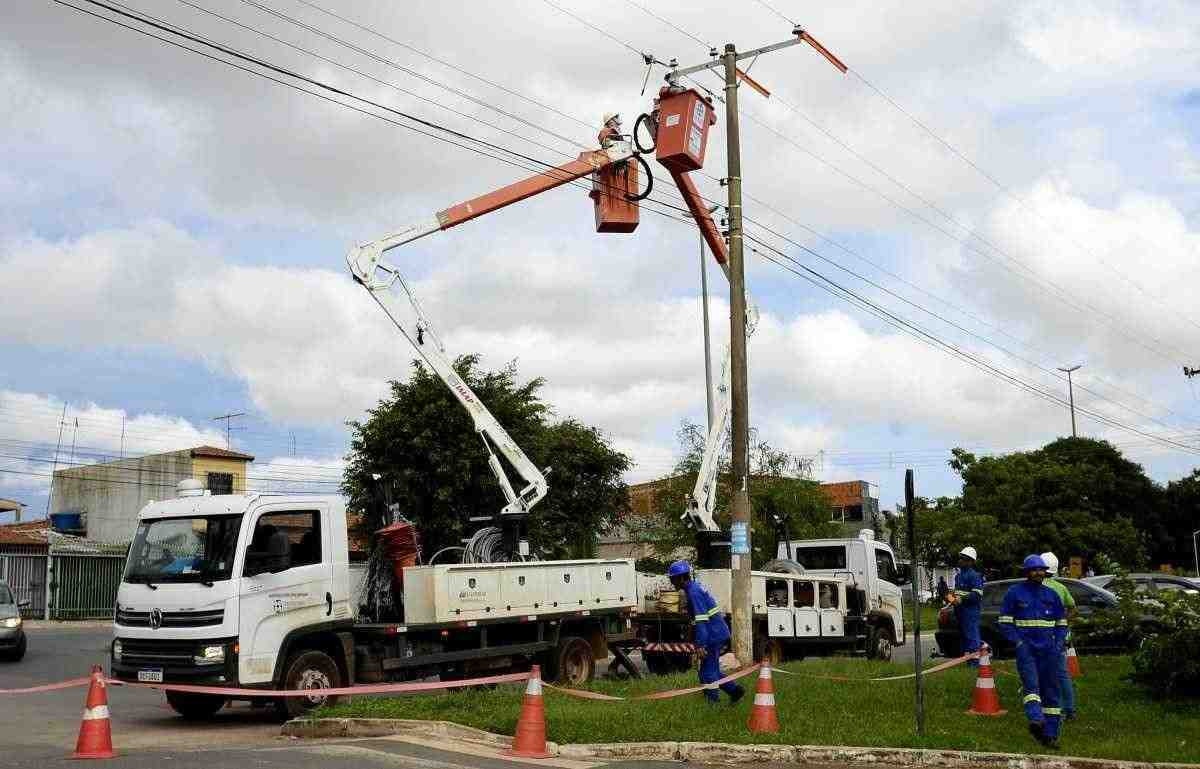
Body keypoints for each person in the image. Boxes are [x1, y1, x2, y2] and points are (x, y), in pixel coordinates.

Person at [999, 554, 1068, 748]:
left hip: (1049, 650)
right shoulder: (1015, 593)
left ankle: (1050, 735)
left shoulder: (1051, 595)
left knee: (1052, 691)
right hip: (1027, 649)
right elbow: (1005, 622)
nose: (1039, 573)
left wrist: (1058, 643)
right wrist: (1018, 642)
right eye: (1035, 569)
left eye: (1042, 569)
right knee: (1032, 686)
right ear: (1027, 572)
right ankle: (1036, 721)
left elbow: (1062, 623)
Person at [667, 560, 745, 705]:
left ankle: (712, 704)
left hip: (713, 635)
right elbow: (695, 620)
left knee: (707, 673)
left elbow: (701, 620)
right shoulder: (692, 589)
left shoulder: (694, 592)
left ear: (682, 578)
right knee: (711, 669)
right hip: (715, 632)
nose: (672, 582)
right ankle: (735, 691)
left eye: (673, 578)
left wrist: (701, 645)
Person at [1041, 551, 1077, 720]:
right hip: (1060, 635)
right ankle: (1069, 709)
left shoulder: (1038, 587)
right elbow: (1073, 608)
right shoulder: (1061, 587)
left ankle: (1056, 709)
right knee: (1062, 673)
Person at [950, 546, 985, 663]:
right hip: (960, 612)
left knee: (972, 637)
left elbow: (977, 594)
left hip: (970, 612)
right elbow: (957, 594)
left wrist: (962, 599)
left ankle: (975, 664)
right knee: (964, 638)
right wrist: (950, 599)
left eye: (963, 559)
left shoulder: (974, 575)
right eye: (960, 558)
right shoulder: (958, 576)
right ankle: (968, 661)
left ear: (971, 562)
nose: (960, 561)